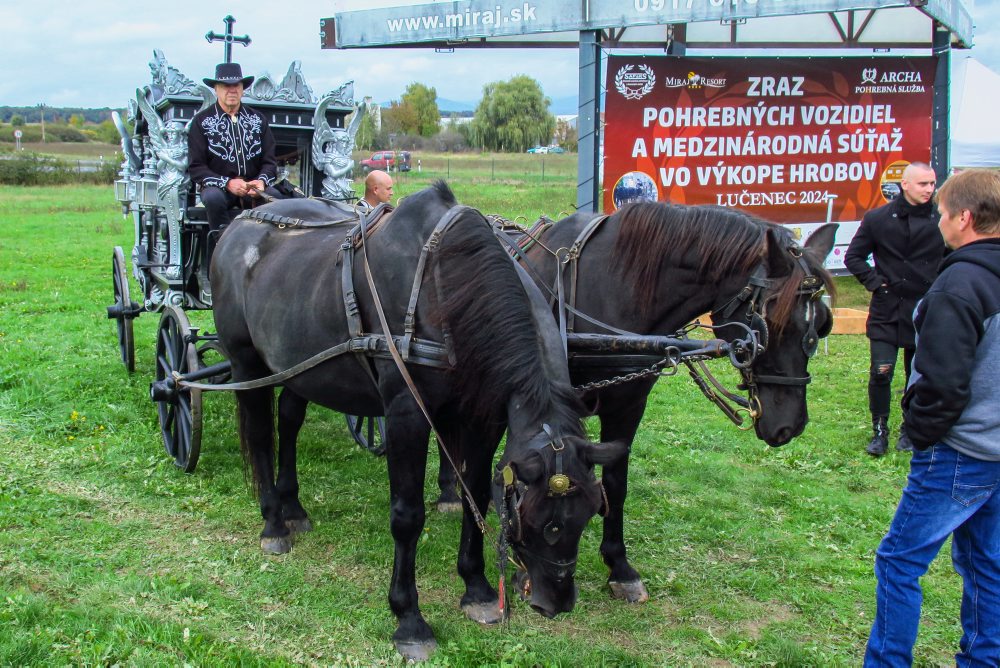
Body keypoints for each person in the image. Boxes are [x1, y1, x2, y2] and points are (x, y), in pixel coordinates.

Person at [863, 168, 1000, 666]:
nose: (937, 221)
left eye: (941, 213)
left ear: (964, 218)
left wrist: (918, 433)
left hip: (960, 453)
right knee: (988, 566)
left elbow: (943, 384)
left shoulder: (960, 284)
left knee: (899, 562)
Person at [845, 162, 945, 456]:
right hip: (887, 310)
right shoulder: (878, 218)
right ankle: (879, 432)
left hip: (925, 309)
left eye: (932, 183)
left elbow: (956, 255)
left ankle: (910, 430)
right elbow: (854, 257)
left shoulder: (942, 219)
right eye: (922, 184)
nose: (929, 189)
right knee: (880, 372)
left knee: (919, 374)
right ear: (905, 184)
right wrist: (876, 283)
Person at [187, 62, 277, 285]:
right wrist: (227, 183)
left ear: (242, 88)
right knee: (212, 198)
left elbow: (270, 162)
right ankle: (222, 255)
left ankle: (273, 258)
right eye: (225, 86)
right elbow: (196, 167)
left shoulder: (258, 120)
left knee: (281, 201)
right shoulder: (202, 122)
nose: (231, 90)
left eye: (235, 85)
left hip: (254, 188)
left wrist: (262, 182)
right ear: (216, 89)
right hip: (219, 188)